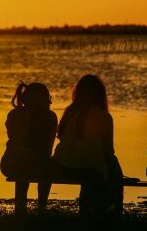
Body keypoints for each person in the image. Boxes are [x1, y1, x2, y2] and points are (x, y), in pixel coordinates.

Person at [52, 75, 123, 216]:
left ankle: (87, 210)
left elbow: (62, 138)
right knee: (110, 170)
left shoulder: (69, 112)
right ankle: (114, 212)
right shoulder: (104, 116)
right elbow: (108, 150)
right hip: (86, 168)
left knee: (89, 164)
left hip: (62, 166)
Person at [0, 82, 57, 215]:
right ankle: (41, 208)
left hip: (9, 163)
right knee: (44, 164)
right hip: (29, 163)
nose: (50, 102)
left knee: (23, 161)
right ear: (42, 100)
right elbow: (47, 150)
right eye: (47, 98)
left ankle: (20, 210)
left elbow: (15, 140)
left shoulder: (13, 114)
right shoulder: (49, 117)